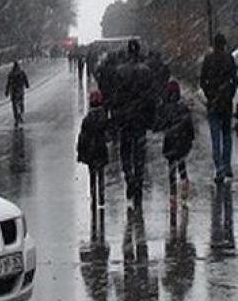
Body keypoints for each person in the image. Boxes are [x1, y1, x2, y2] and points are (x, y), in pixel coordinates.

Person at [111, 39, 154, 206]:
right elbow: (150, 97)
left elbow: (116, 97)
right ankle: (138, 179)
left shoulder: (120, 71)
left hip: (125, 118)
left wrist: (116, 116)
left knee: (125, 150)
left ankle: (129, 176)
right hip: (140, 117)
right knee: (139, 152)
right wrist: (151, 118)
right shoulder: (146, 71)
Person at [200, 33, 238, 183]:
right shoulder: (229, 59)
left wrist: (209, 95)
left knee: (215, 137)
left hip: (213, 103)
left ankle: (219, 168)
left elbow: (202, 80)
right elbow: (234, 80)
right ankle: (227, 165)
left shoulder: (208, 59)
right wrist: (229, 95)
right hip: (226, 103)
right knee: (227, 135)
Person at [156, 80, 195, 210]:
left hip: (170, 142)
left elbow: (159, 125)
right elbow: (189, 127)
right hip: (182, 142)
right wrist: (190, 139)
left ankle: (173, 193)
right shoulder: (183, 108)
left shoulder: (165, 109)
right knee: (182, 164)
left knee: (171, 168)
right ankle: (184, 182)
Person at [77, 90, 110, 211]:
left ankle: (93, 194)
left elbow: (82, 137)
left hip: (91, 150)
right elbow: (108, 134)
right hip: (101, 148)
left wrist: (80, 152)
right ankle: (101, 195)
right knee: (101, 173)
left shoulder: (87, 119)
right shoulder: (104, 117)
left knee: (92, 174)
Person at [5, 61, 30, 127]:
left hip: (13, 91)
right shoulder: (21, 72)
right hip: (20, 90)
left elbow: (8, 83)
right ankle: (21, 114)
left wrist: (7, 91)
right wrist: (27, 85)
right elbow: (25, 80)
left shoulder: (11, 74)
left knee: (14, 105)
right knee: (21, 102)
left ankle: (16, 117)